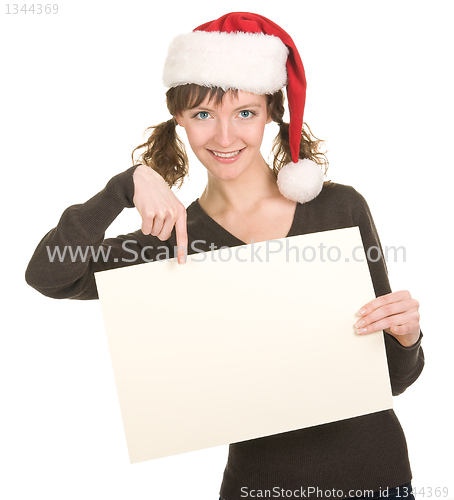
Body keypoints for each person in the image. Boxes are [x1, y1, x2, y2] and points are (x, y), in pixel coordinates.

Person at [25, 12, 424, 500]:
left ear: (271, 113)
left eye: (245, 113)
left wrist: (406, 337)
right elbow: (49, 273)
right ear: (180, 119)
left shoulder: (339, 209)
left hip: (377, 482)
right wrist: (125, 185)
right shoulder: (168, 240)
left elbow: (394, 380)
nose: (225, 137)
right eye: (202, 115)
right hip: (258, 487)